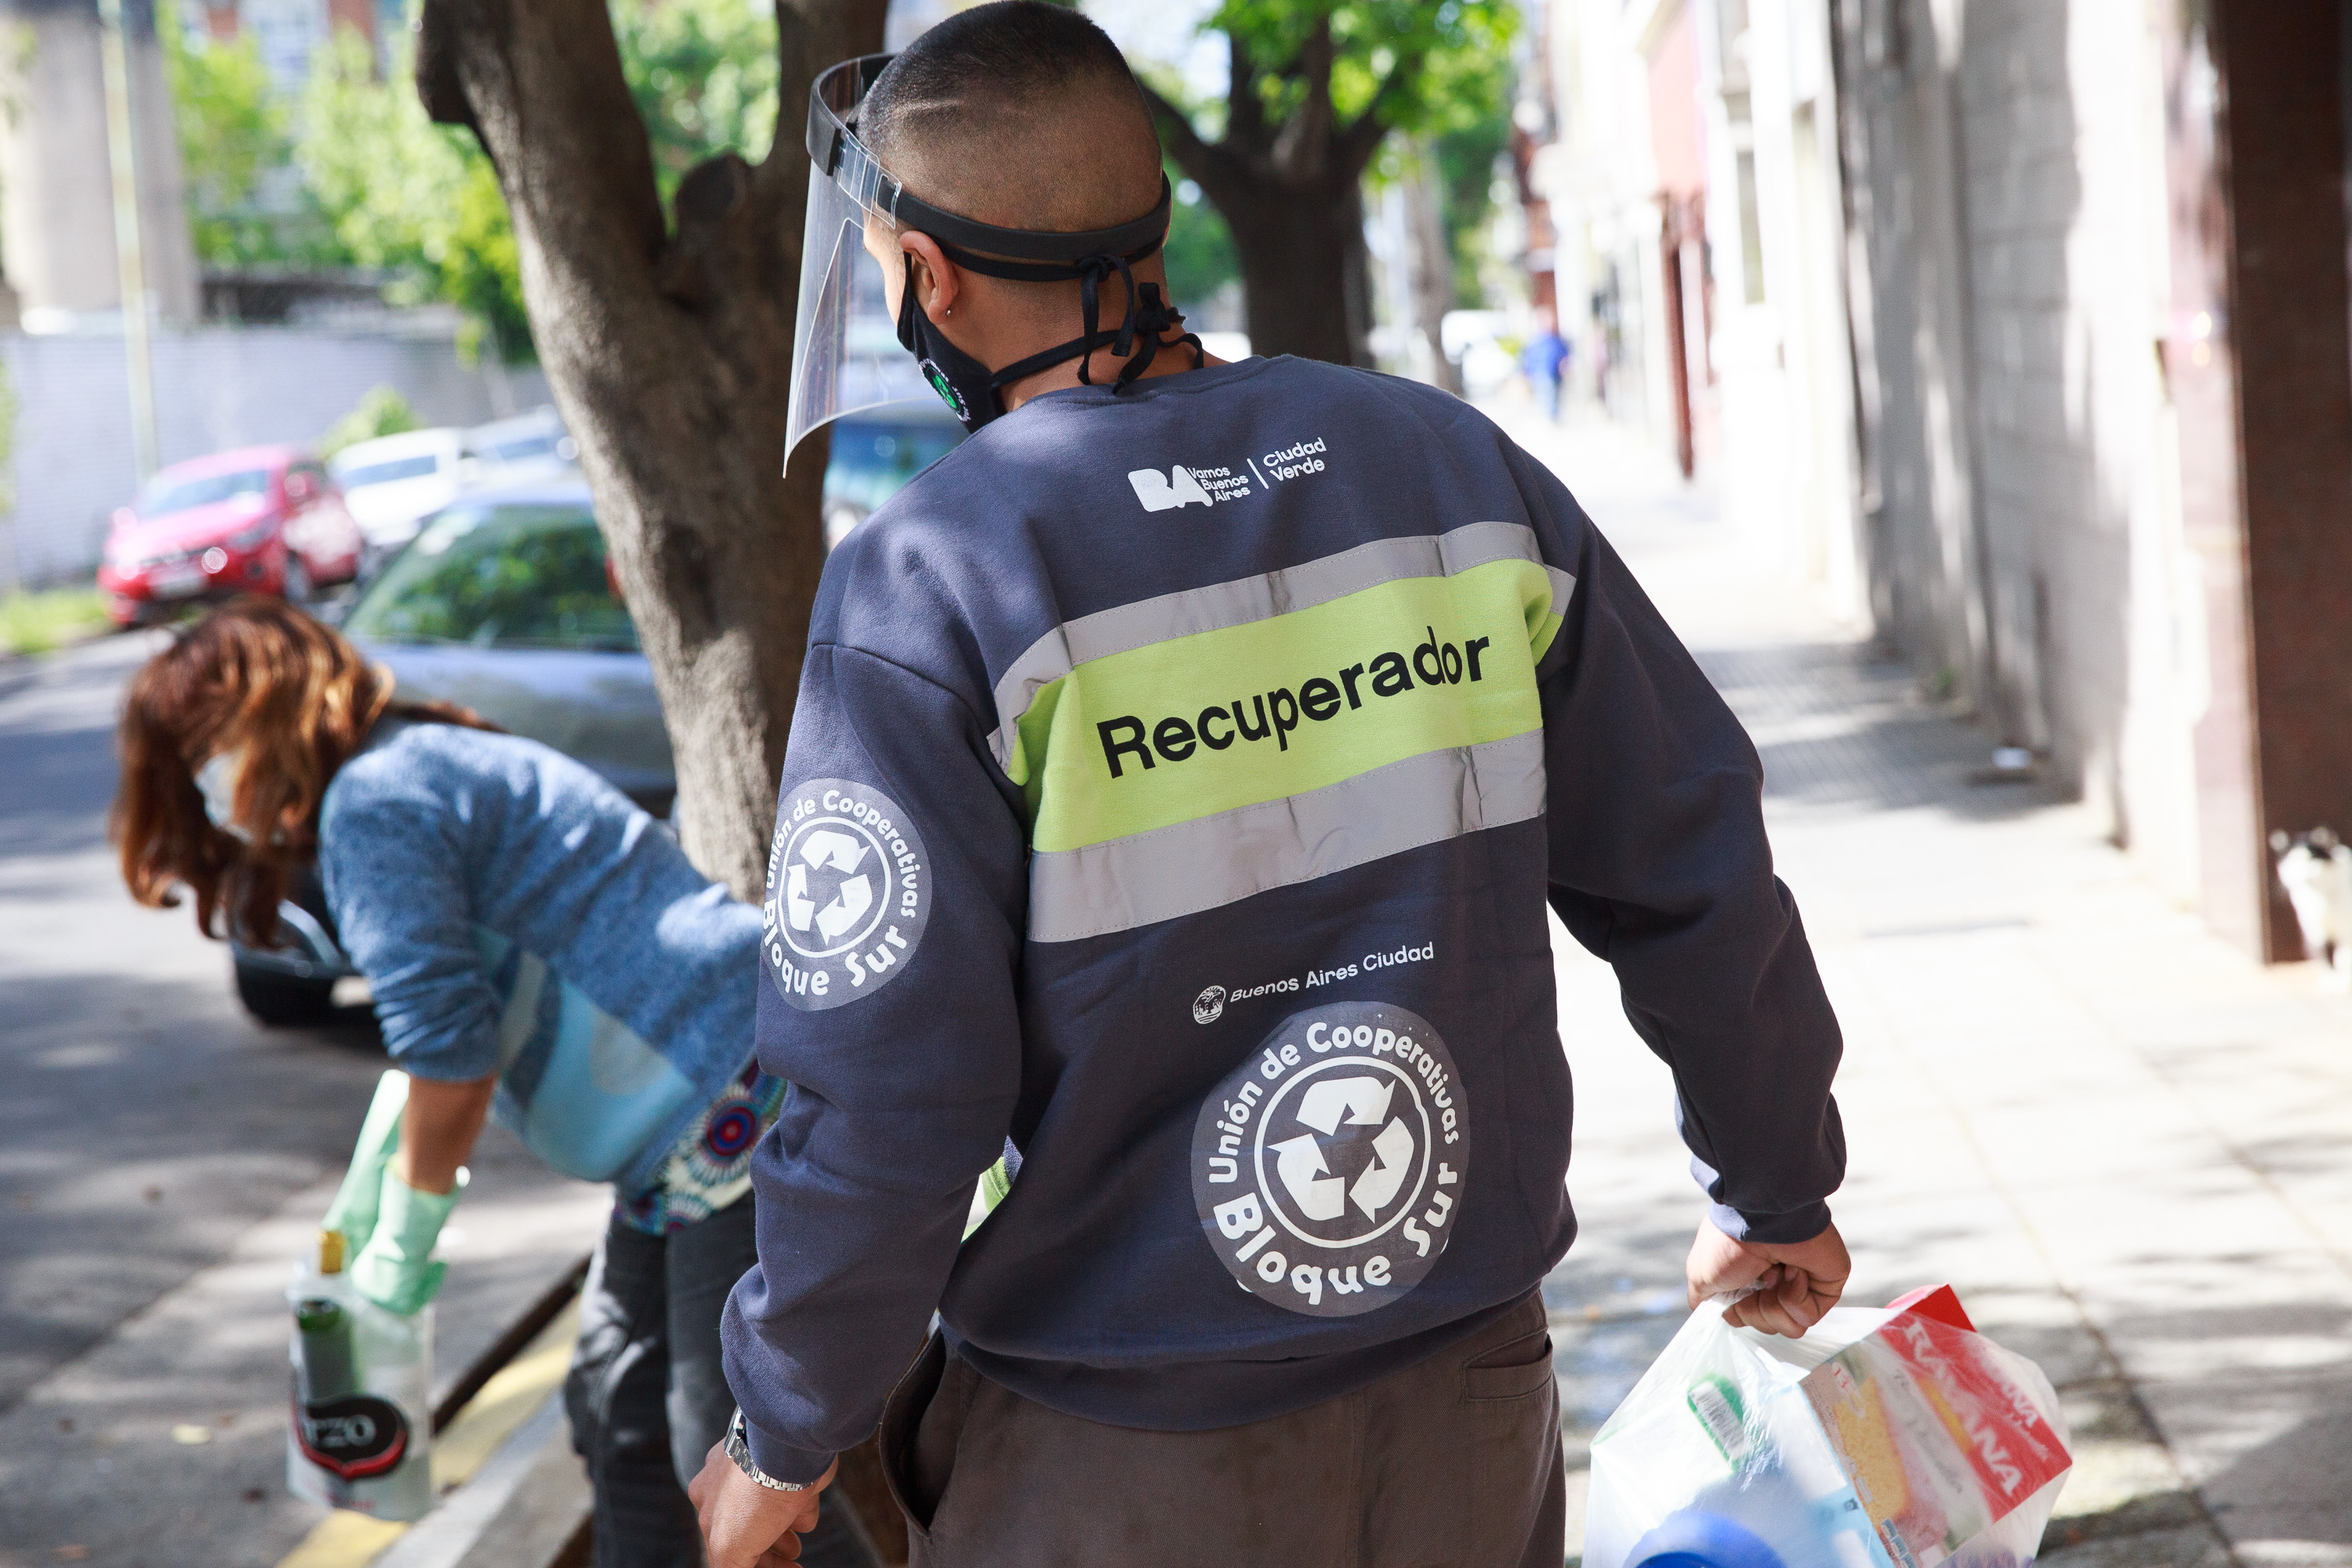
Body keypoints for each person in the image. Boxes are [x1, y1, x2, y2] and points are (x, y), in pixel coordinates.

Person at [693, 5, 1850, 1563]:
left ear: (927, 275)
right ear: (1153, 221)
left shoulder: (939, 580)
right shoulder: (1449, 468)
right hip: (1467, 1398)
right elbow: (1692, 854)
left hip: (1120, 1450)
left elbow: (889, 1087)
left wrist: (786, 1423)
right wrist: (1775, 1184)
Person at [112, 598, 873, 1568]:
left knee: (734, 1465)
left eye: (205, 754)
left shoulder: (376, 800)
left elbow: (448, 1057)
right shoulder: (408, 760)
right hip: (697, 1122)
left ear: (262, 719)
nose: (208, 786)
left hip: (726, 1109)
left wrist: (401, 1255)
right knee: (618, 1414)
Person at [1523, 306, 1571, 421]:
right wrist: (1527, 373)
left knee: (1555, 397)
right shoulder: (1535, 341)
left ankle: (1553, 418)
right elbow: (1528, 359)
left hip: (1555, 375)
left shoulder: (1556, 340)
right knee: (1546, 398)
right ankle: (1550, 418)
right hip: (1541, 375)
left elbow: (1565, 355)